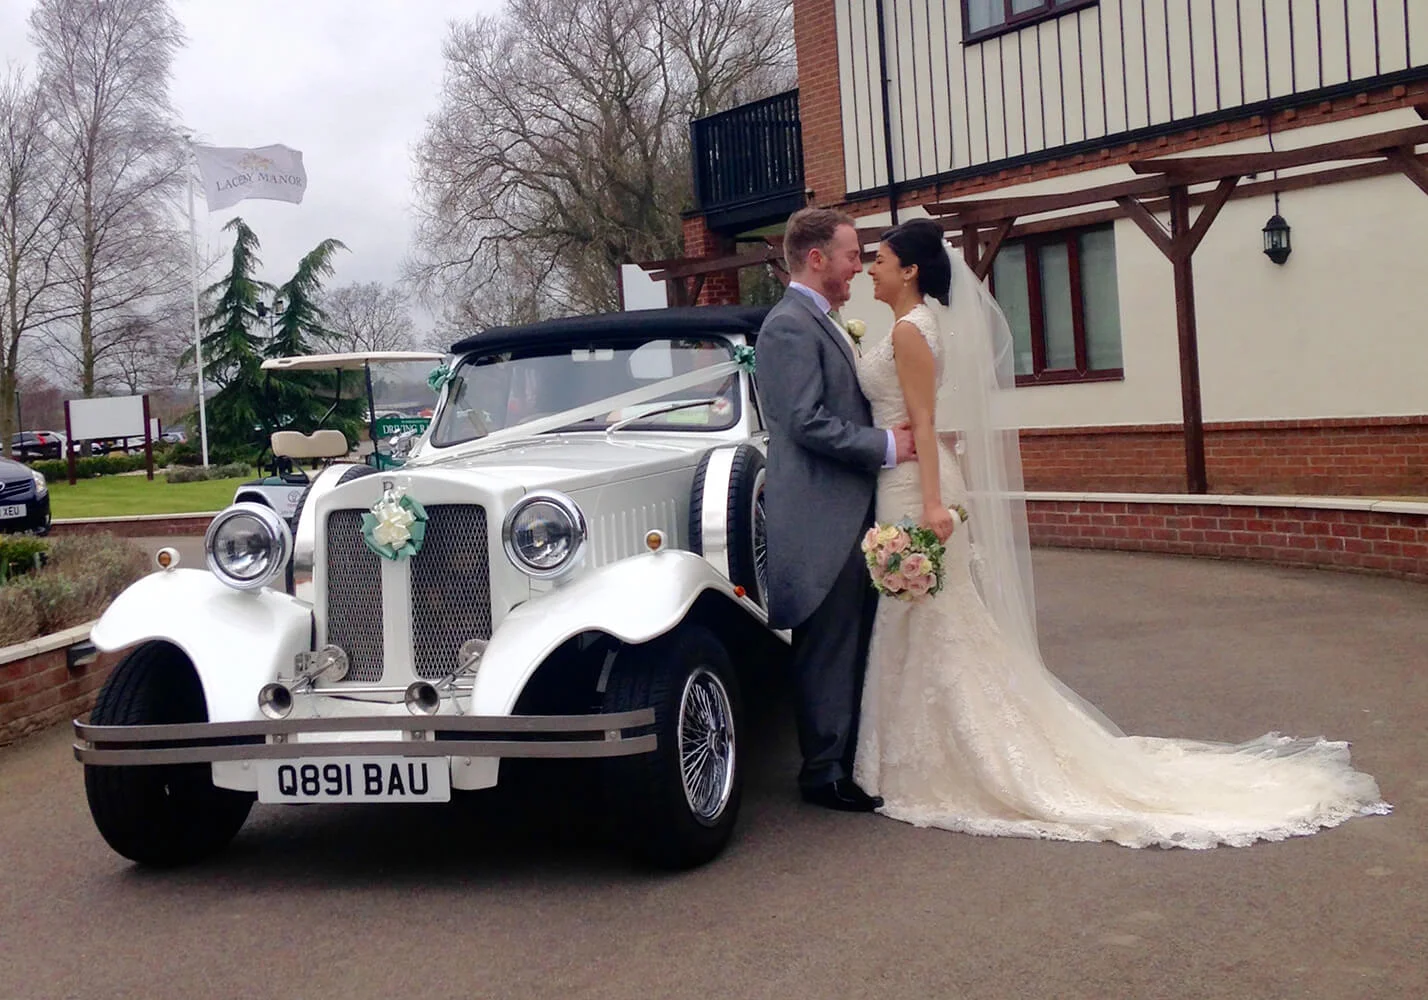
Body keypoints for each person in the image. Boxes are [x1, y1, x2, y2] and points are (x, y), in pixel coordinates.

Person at [850, 217, 1391, 847]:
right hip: (900, 481)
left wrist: (934, 505)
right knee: (920, 619)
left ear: (910, 270)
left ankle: (948, 760)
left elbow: (923, 421)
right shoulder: (907, 327)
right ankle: (916, 753)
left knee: (932, 616)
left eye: (880, 260)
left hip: (917, 488)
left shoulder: (912, 331)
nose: (871, 269)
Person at [756, 207, 917, 812]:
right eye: (851, 255)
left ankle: (847, 760)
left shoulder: (820, 320)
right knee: (828, 646)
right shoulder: (788, 326)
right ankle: (822, 773)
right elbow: (804, 421)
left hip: (852, 510)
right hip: (821, 519)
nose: (858, 266)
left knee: (851, 643)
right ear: (816, 258)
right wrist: (885, 445)